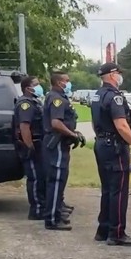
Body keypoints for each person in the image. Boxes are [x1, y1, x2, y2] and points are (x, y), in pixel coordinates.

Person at [90, 62, 131, 246]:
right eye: (119, 73)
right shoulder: (115, 98)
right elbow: (121, 125)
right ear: (112, 75)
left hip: (101, 144)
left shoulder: (97, 95)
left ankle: (103, 229)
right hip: (114, 147)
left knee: (107, 189)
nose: (120, 76)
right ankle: (117, 232)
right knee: (119, 190)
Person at [42, 71, 85, 231]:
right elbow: (56, 123)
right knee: (56, 180)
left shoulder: (59, 97)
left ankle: (57, 213)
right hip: (56, 144)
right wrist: (72, 134)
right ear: (60, 82)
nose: (69, 83)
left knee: (60, 181)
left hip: (61, 143)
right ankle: (52, 219)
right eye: (67, 81)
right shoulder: (56, 99)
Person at [13, 76, 47, 220]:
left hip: (38, 143)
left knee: (40, 176)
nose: (39, 86)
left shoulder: (34, 102)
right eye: (36, 84)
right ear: (28, 88)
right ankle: (36, 210)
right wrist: (29, 146)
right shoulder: (25, 104)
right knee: (34, 178)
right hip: (30, 144)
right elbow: (24, 127)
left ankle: (42, 206)